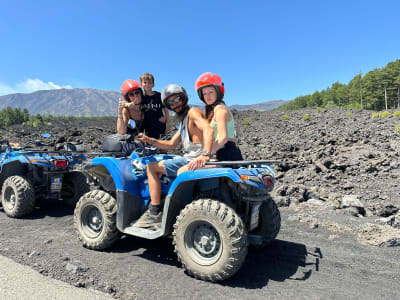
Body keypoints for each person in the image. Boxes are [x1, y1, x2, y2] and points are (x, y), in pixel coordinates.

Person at [133, 83, 214, 229]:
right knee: (157, 163)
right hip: (190, 157)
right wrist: (149, 140)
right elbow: (170, 144)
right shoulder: (184, 121)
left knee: (151, 168)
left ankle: (155, 211)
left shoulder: (193, 113)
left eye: (176, 99)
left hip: (195, 159)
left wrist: (205, 154)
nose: (174, 104)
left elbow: (208, 129)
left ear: (183, 98)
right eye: (170, 102)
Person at [195, 72, 243, 161]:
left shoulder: (220, 109)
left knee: (185, 171)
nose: (207, 96)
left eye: (211, 92)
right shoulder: (214, 110)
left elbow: (223, 139)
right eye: (204, 93)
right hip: (221, 152)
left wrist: (205, 154)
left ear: (218, 92)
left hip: (227, 154)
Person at [140, 73, 170, 138]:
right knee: (150, 147)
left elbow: (166, 110)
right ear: (141, 84)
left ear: (153, 85)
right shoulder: (141, 98)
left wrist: (167, 124)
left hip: (160, 126)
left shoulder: (159, 96)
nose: (147, 85)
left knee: (162, 145)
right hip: (148, 128)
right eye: (145, 82)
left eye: (150, 83)